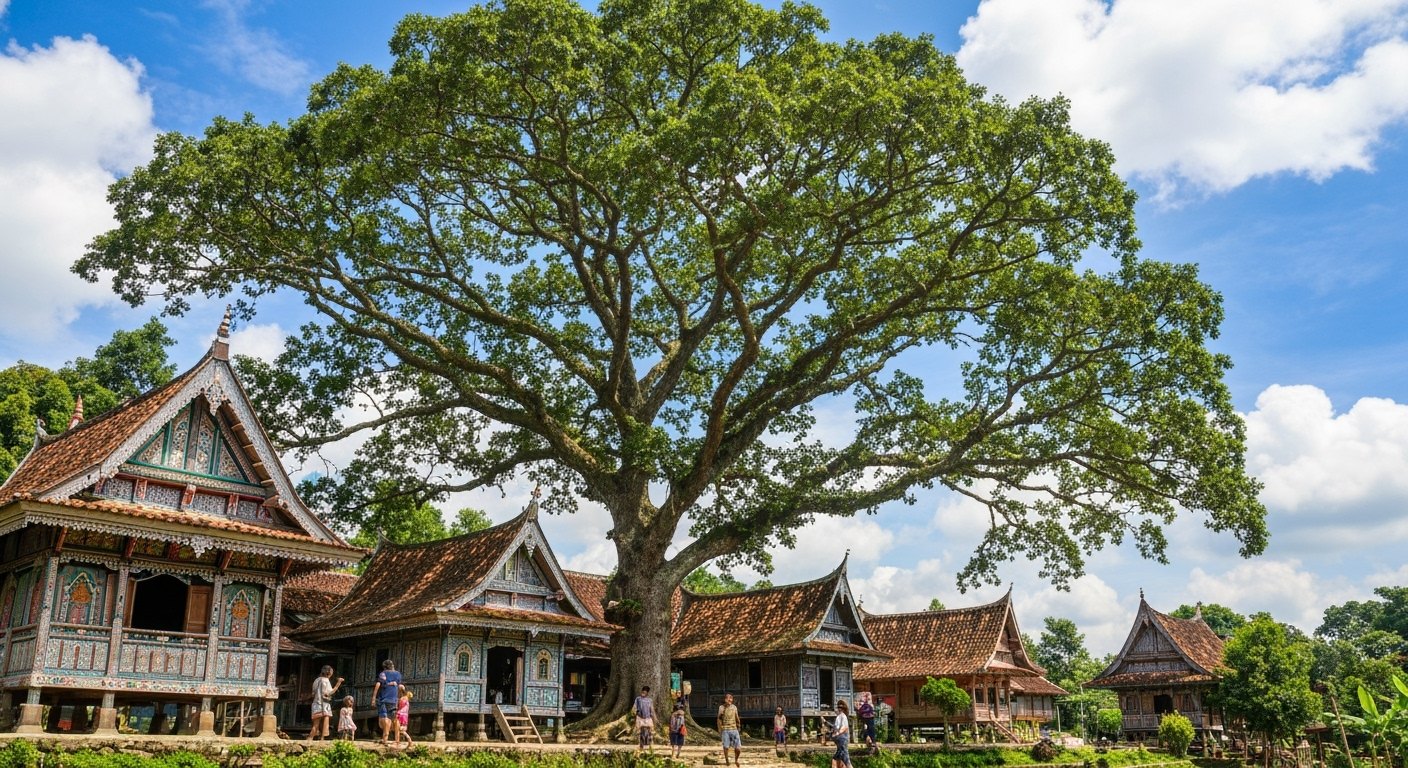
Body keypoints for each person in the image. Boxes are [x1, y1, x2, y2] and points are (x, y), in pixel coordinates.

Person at [306, 665, 344, 741]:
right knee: (325, 722)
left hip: (316, 704)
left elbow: (313, 694)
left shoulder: (316, 680)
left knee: (316, 724)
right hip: (324, 704)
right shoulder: (325, 681)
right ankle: (323, 737)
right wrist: (338, 683)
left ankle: (310, 737)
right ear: (329, 673)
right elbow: (329, 693)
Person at [371, 659, 403, 747]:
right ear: (392, 666)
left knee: (385, 718)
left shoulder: (383, 674)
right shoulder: (398, 674)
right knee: (394, 719)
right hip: (393, 699)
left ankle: (385, 738)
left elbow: (378, 684)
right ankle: (397, 739)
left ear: (384, 667)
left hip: (384, 699)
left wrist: (373, 698)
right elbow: (400, 685)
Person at [718, 693, 742, 767]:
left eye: (731, 699)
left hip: (734, 729)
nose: (729, 700)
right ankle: (727, 760)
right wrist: (720, 729)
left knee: (738, 748)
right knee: (726, 747)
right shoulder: (722, 707)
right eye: (728, 699)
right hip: (725, 729)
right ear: (725, 700)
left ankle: (736, 760)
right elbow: (719, 718)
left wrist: (738, 725)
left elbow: (737, 717)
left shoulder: (734, 707)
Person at [830, 700, 852, 768]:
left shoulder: (843, 716)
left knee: (844, 754)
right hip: (839, 738)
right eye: (838, 707)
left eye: (840, 707)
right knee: (838, 754)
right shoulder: (838, 716)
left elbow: (844, 728)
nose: (839, 709)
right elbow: (836, 727)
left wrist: (837, 733)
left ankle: (849, 766)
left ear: (843, 709)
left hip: (842, 737)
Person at [634, 685, 655, 751]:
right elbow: (635, 707)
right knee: (640, 733)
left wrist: (654, 717)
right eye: (643, 692)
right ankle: (641, 746)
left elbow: (651, 708)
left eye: (645, 693)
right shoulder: (638, 699)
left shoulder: (649, 700)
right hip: (640, 717)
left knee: (650, 732)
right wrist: (635, 713)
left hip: (648, 717)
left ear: (647, 693)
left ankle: (651, 746)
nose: (643, 694)